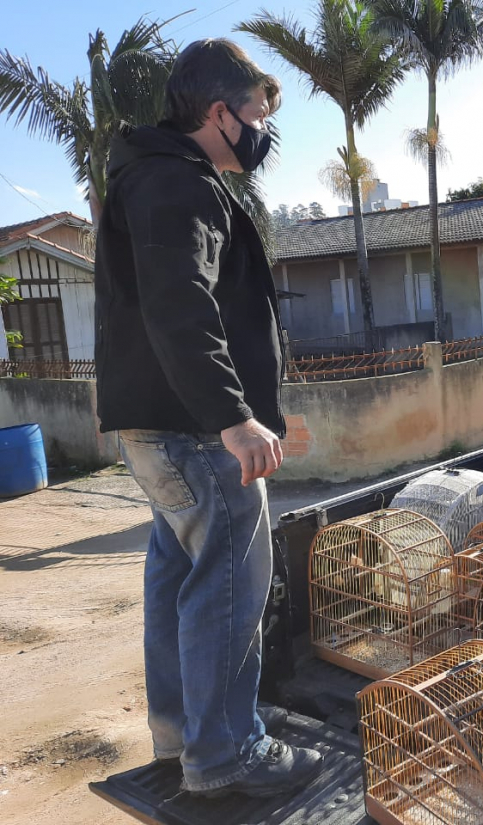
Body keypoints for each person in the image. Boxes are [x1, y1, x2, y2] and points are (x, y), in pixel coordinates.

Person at [94, 39, 323, 798]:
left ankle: (180, 740)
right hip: (192, 429)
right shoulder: (175, 184)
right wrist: (233, 416)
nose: (263, 129)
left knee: (180, 578)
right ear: (220, 112)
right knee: (230, 585)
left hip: (157, 423)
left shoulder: (153, 177)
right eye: (256, 112)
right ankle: (227, 755)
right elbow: (178, 302)